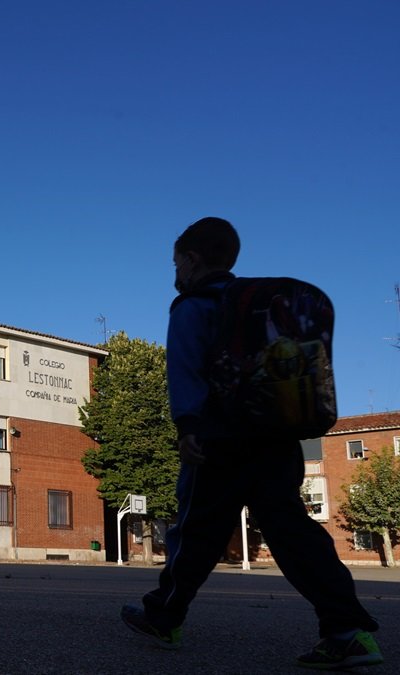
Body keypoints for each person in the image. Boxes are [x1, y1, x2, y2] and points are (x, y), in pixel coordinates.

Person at [120, 217, 382, 669]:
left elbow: (185, 372)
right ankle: (348, 631)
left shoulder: (193, 305)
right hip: (277, 437)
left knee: (196, 530)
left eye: (176, 261)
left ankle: (164, 617)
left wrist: (188, 428)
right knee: (293, 532)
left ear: (192, 259)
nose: (175, 271)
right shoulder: (259, 306)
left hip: (218, 438)